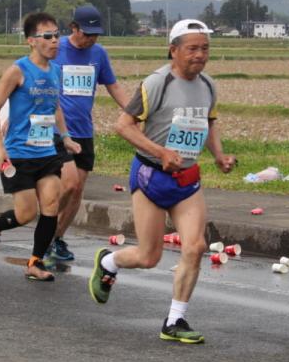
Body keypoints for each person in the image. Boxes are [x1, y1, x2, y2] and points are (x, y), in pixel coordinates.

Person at [87, 19, 237, 344]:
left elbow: (208, 125)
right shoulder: (157, 83)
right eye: (192, 48)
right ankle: (109, 261)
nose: (200, 55)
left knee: (195, 247)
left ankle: (175, 320)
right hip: (151, 176)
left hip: (187, 180)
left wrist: (220, 156)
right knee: (148, 256)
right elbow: (123, 126)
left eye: (205, 48)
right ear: (174, 50)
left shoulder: (208, 85)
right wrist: (160, 151)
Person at [0, 12, 79, 281]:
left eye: (57, 35)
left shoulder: (55, 71)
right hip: (19, 153)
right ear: (31, 41)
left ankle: (35, 262)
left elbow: (54, 105)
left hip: (47, 150)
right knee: (26, 213)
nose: (55, 41)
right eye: (48, 36)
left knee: (50, 204)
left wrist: (66, 136)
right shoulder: (18, 70)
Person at [46, 5, 129, 264]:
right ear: (73, 28)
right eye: (86, 33)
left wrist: (135, 112)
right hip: (56, 130)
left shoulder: (99, 54)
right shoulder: (55, 48)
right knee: (69, 184)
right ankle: (45, 229)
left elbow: (113, 85)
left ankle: (55, 238)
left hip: (84, 130)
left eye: (96, 34)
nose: (91, 38)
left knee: (78, 189)